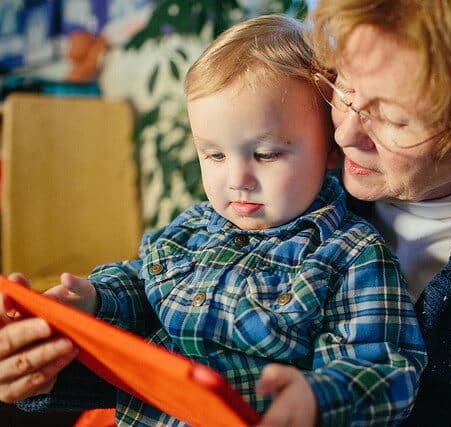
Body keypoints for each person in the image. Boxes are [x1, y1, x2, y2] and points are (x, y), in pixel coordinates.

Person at [3, 1, 451, 425]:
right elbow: (185, 341)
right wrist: (53, 363)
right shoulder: (280, 192)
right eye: (341, 88)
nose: (344, 134)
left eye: (392, 119)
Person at [0, 14, 426, 427]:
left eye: (266, 154)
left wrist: (317, 399)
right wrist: (91, 300)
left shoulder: (351, 254)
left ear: (330, 151)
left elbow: (385, 368)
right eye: (214, 155)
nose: (236, 179)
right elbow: (142, 288)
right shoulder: (192, 228)